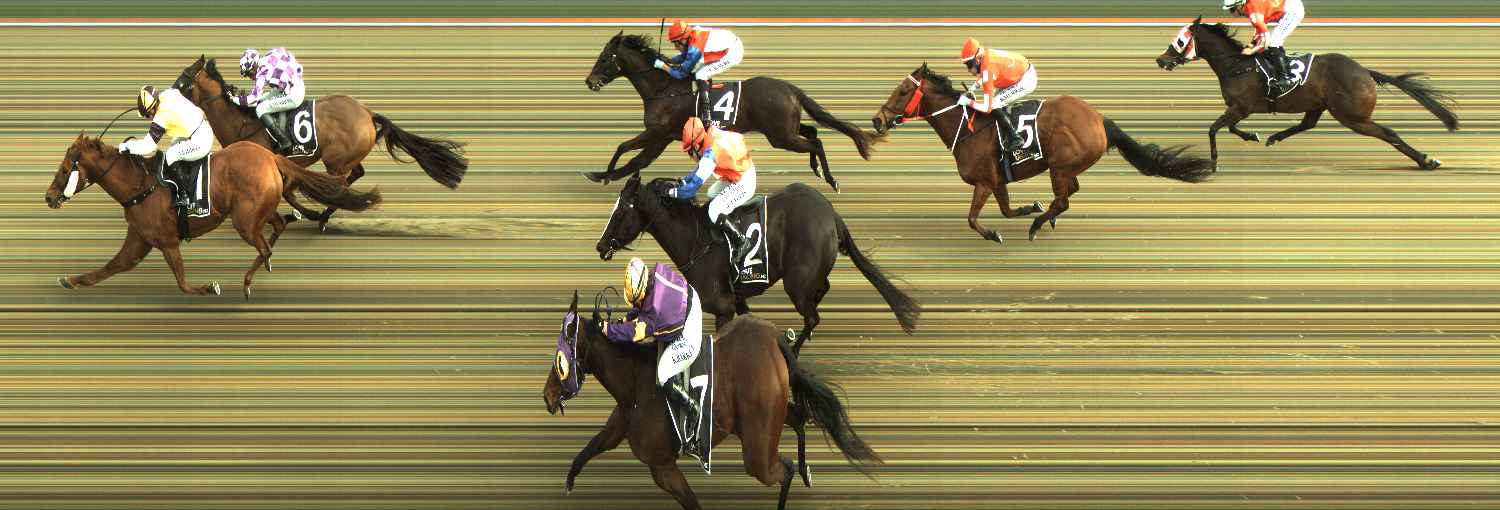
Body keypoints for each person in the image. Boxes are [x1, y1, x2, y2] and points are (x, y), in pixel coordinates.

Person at [605, 257, 709, 467]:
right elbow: (641, 308)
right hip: (691, 299)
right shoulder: (652, 276)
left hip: (689, 332)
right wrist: (624, 320)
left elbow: (634, 334)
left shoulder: (653, 312)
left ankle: (692, 407)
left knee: (663, 372)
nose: (636, 303)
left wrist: (607, 329)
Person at [667, 117, 757, 259]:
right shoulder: (710, 135)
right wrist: (683, 182)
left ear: (697, 146)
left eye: (690, 152)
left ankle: (741, 241)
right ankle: (728, 218)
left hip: (744, 181)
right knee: (711, 193)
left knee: (713, 211)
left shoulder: (710, 154)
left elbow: (691, 190)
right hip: (740, 172)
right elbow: (698, 170)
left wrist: (670, 192)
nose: (690, 156)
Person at [119, 85, 212, 218]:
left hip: (200, 140)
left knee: (171, 155)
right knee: (174, 143)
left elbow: (148, 147)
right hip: (201, 128)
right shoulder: (168, 93)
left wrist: (127, 146)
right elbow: (179, 85)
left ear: (152, 109)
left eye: (147, 115)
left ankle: (184, 195)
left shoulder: (161, 118)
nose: (149, 117)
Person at [655, 20, 744, 124]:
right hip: (728, 43)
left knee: (700, 74)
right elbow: (684, 56)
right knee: (697, 70)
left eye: (676, 43)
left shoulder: (695, 49)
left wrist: (663, 66)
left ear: (683, 39)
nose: (675, 47)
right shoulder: (692, 35)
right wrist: (667, 60)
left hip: (733, 53)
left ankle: (707, 113)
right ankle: (704, 92)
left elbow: (681, 74)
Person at [957, 37, 1037, 153]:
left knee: (994, 104)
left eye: (969, 65)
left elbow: (987, 108)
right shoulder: (986, 56)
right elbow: (990, 71)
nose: (969, 70)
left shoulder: (987, 70)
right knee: (997, 103)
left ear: (977, 59)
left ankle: (1016, 138)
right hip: (1018, 72)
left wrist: (967, 102)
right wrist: (975, 86)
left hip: (1025, 80)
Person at [232, 47, 306, 152]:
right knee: (263, 98)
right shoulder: (268, 56)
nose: (250, 77)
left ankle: (284, 141)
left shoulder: (262, 71)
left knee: (260, 109)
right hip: (294, 85)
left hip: (293, 95)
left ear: (254, 66)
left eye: (249, 73)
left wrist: (234, 99)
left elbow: (253, 99)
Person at [1225, 0, 1305, 96]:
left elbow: (1266, 40)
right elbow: (1259, 28)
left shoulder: (1253, 12)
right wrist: (1252, 43)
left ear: (1239, 6)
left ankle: (1286, 78)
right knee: (1274, 41)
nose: (1231, 13)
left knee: (1274, 41)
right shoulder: (1250, 9)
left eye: (1232, 10)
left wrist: (1252, 51)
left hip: (1293, 10)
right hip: (1288, 7)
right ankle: (1281, 69)